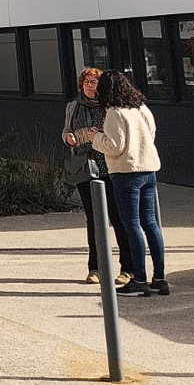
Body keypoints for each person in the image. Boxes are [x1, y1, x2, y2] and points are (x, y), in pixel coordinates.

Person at [91, 70, 168, 297]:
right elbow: (151, 134)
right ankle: (160, 278)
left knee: (131, 224)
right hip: (149, 168)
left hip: (126, 172)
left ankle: (139, 279)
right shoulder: (141, 108)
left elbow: (115, 146)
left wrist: (95, 138)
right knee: (151, 224)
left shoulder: (114, 112)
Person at [62, 67, 134, 285]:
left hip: (108, 166)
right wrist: (69, 138)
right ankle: (95, 268)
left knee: (117, 217)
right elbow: (66, 130)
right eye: (86, 83)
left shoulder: (110, 106)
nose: (89, 86)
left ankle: (128, 268)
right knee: (93, 219)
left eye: (94, 82)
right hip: (84, 167)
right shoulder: (73, 106)